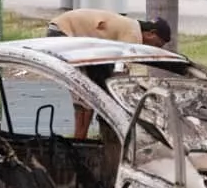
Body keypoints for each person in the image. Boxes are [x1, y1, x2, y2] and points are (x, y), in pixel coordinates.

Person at [44, 9, 172, 139]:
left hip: (63, 31)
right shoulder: (133, 35)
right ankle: (81, 140)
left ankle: (82, 137)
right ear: (151, 33)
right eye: (157, 44)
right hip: (64, 33)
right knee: (89, 94)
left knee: (93, 89)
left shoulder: (129, 27)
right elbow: (120, 72)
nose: (154, 48)